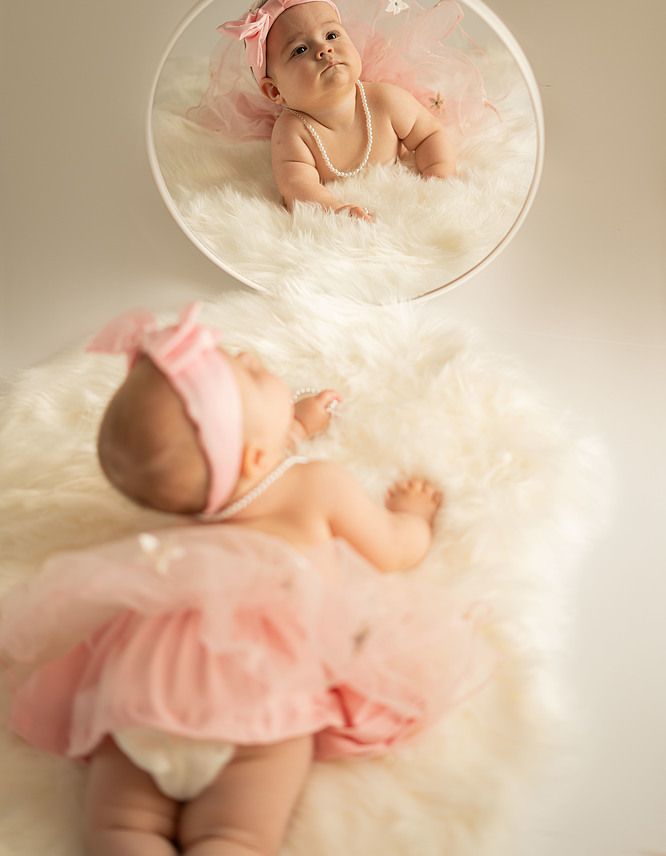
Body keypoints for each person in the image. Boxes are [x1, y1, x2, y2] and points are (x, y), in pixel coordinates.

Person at [0, 303, 488, 856]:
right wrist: (414, 517)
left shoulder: (195, 504)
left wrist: (295, 424)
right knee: (235, 835)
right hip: (261, 700)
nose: (251, 356)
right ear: (256, 453)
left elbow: (243, 470)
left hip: (148, 691)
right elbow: (395, 552)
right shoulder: (321, 488)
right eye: (252, 375)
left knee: (124, 828)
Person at [190, 0, 497, 222]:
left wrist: (438, 176)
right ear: (274, 90)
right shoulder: (293, 132)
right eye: (300, 50)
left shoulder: (386, 101)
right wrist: (335, 208)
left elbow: (429, 134)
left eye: (332, 35)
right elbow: (296, 186)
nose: (324, 49)